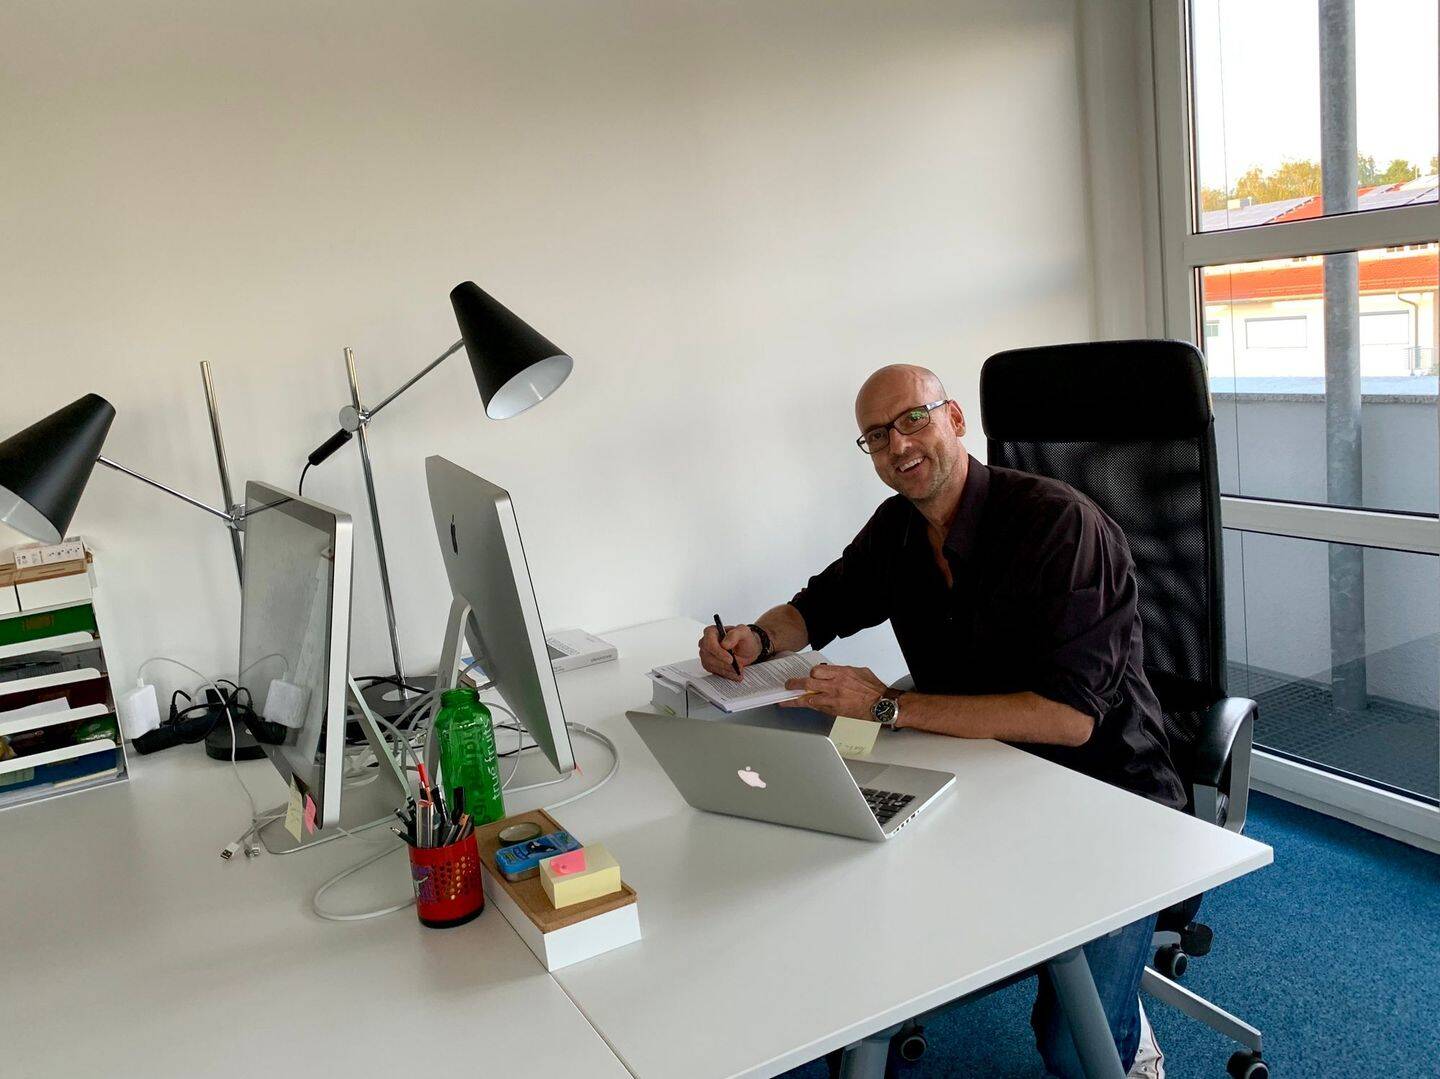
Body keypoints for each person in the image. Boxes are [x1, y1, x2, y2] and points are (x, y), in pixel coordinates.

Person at [697, 364, 1183, 1079]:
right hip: (974, 770)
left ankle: (1125, 1028)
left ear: (954, 419)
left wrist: (887, 707)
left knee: (1075, 1048)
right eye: (876, 435)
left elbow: (1070, 719)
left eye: (912, 419)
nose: (897, 444)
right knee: (835, 890)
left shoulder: (1062, 526)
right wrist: (757, 638)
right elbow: (819, 605)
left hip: (1105, 799)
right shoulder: (898, 529)